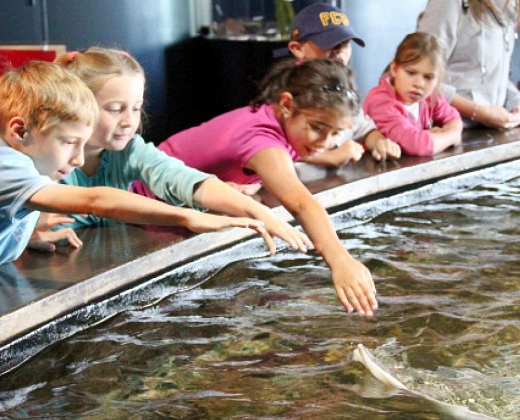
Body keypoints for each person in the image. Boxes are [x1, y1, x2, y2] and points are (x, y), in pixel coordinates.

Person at [0, 61, 275, 280]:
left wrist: (21, 237)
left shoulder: (14, 167)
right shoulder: (3, 166)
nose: (80, 160)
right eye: (69, 143)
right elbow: (95, 199)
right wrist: (186, 217)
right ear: (20, 131)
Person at [132, 59, 378, 317]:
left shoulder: (273, 118)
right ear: (286, 104)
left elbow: (286, 152)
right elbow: (301, 202)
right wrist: (340, 259)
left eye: (337, 133)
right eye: (318, 128)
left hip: (180, 202)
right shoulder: (261, 138)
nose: (326, 142)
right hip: (145, 207)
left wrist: (327, 156)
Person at [54, 47, 310, 256]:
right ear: (78, 105)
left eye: (135, 108)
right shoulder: (48, 160)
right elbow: (94, 201)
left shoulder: (129, 150)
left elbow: (181, 178)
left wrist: (258, 212)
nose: (129, 121)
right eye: (115, 109)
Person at [286, 2, 401, 167]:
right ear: (297, 48)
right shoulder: (288, 90)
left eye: (345, 43)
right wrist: (330, 157)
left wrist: (381, 143)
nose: (339, 50)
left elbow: (364, 129)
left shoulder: (341, 87)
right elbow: (277, 147)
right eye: (329, 43)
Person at [416, 0, 520, 130]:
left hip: (488, 131)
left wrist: (519, 103)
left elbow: (496, 77)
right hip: (447, 130)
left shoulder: (508, 2)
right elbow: (419, 80)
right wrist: (478, 112)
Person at [363, 32, 463, 157]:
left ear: (437, 80)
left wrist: (438, 136)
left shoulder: (431, 97)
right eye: (411, 73)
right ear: (394, 69)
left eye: (428, 77)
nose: (419, 83)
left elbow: (454, 118)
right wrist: (451, 136)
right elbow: (417, 145)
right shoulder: (379, 101)